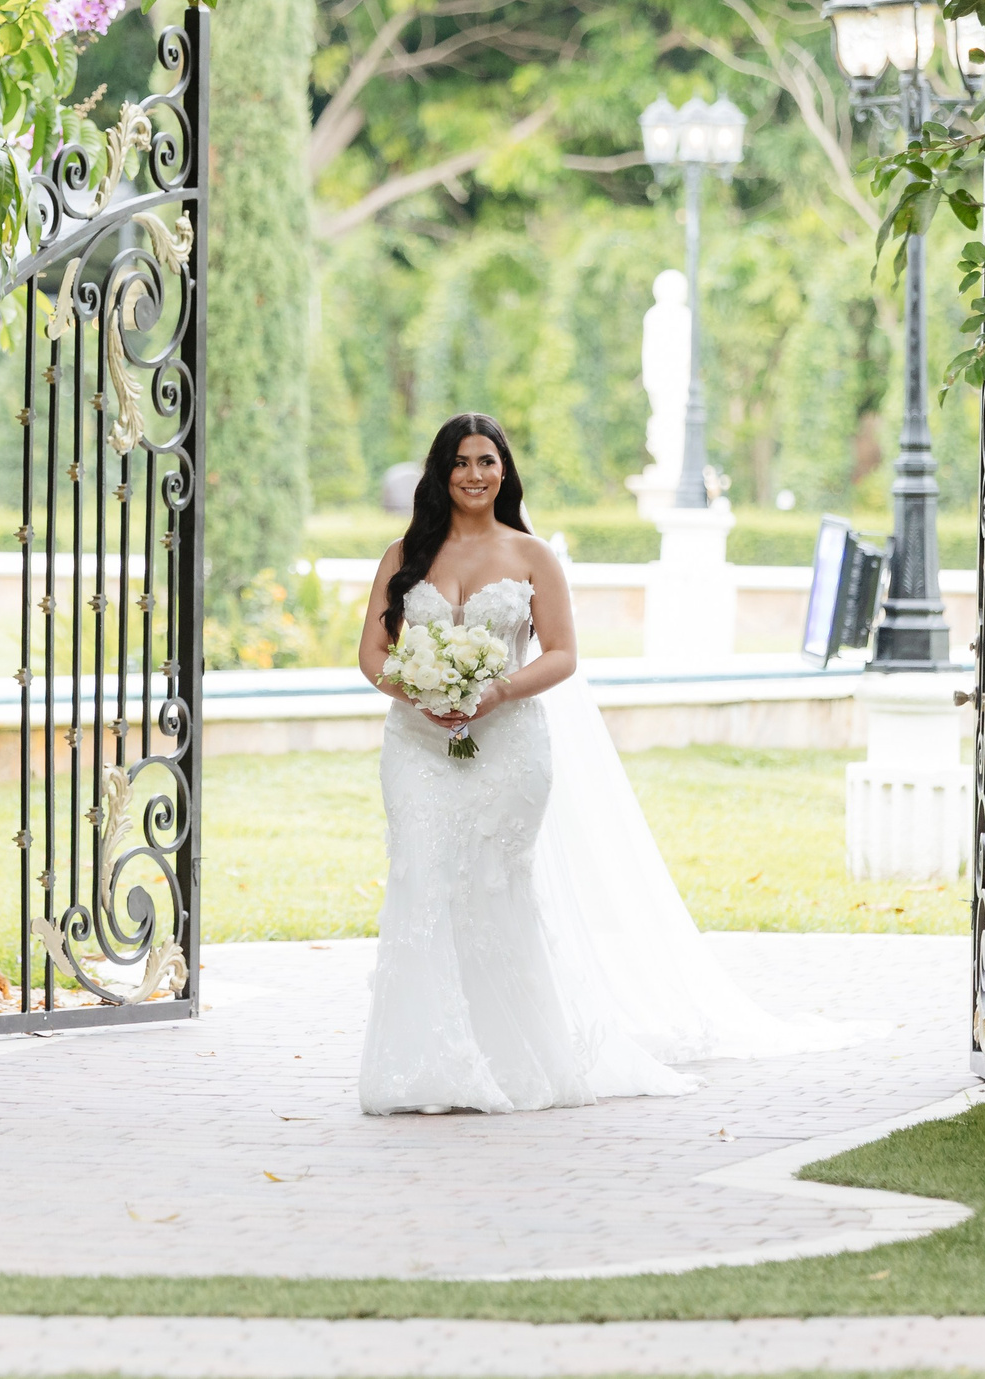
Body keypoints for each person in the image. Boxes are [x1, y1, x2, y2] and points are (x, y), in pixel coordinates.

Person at [355, 412, 847, 1116]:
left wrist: (496, 691)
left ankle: (507, 1061)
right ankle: (425, 1066)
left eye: (486, 460)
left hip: (507, 745)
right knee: (420, 878)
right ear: (440, 471)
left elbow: (562, 654)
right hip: (417, 745)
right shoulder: (404, 554)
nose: (473, 474)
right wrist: (422, 694)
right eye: (460, 461)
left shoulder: (532, 555)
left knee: (493, 886)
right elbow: (372, 653)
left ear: (504, 470)